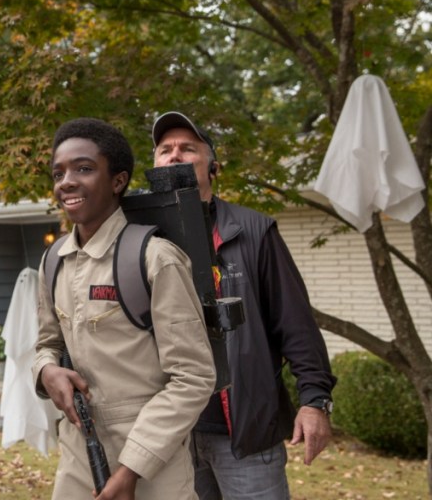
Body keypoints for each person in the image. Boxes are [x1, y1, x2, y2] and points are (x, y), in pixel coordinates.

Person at [152, 111, 336, 499]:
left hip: (245, 434)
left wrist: (315, 400)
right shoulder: (140, 239)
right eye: (164, 150)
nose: (174, 156)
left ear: (213, 166)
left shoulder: (253, 231)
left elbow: (295, 322)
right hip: (172, 435)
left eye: (188, 148)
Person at [35, 118, 216, 499]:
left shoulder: (155, 259)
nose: (66, 181)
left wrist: (131, 469)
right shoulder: (53, 261)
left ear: (118, 181)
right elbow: (46, 344)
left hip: (152, 464)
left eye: (83, 169)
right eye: (58, 172)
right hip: (77, 457)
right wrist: (47, 371)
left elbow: (194, 377)